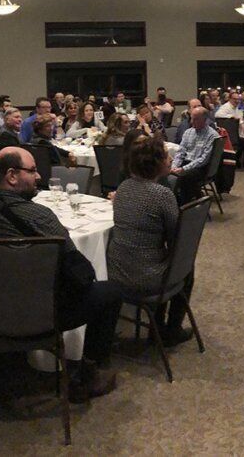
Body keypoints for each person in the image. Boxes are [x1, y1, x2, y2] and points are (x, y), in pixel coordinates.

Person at [0, 147, 121, 403]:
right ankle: (86, 377)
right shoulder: (41, 217)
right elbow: (81, 272)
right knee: (111, 292)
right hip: (44, 315)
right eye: (33, 170)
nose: (38, 177)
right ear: (12, 176)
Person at [108, 134, 197, 344]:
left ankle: (157, 327)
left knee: (164, 261)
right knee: (186, 267)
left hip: (116, 272)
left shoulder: (123, 188)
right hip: (144, 278)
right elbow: (177, 240)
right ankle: (170, 330)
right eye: (166, 156)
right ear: (155, 163)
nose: (170, 159)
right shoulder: (162, 195)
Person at [172, 107, 218, 205]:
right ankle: (173, 201)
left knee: (185, 178)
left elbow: (203, 159)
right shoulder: (188, 132)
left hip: (201, 167)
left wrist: (184, 169)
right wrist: (174, 166)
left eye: (196, 119)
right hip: (186, 163)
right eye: (192, 118)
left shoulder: (212, 135)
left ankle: (183, 205)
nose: (192, 122)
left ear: (205, 120)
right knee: (165, 171)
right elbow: (180, 152)